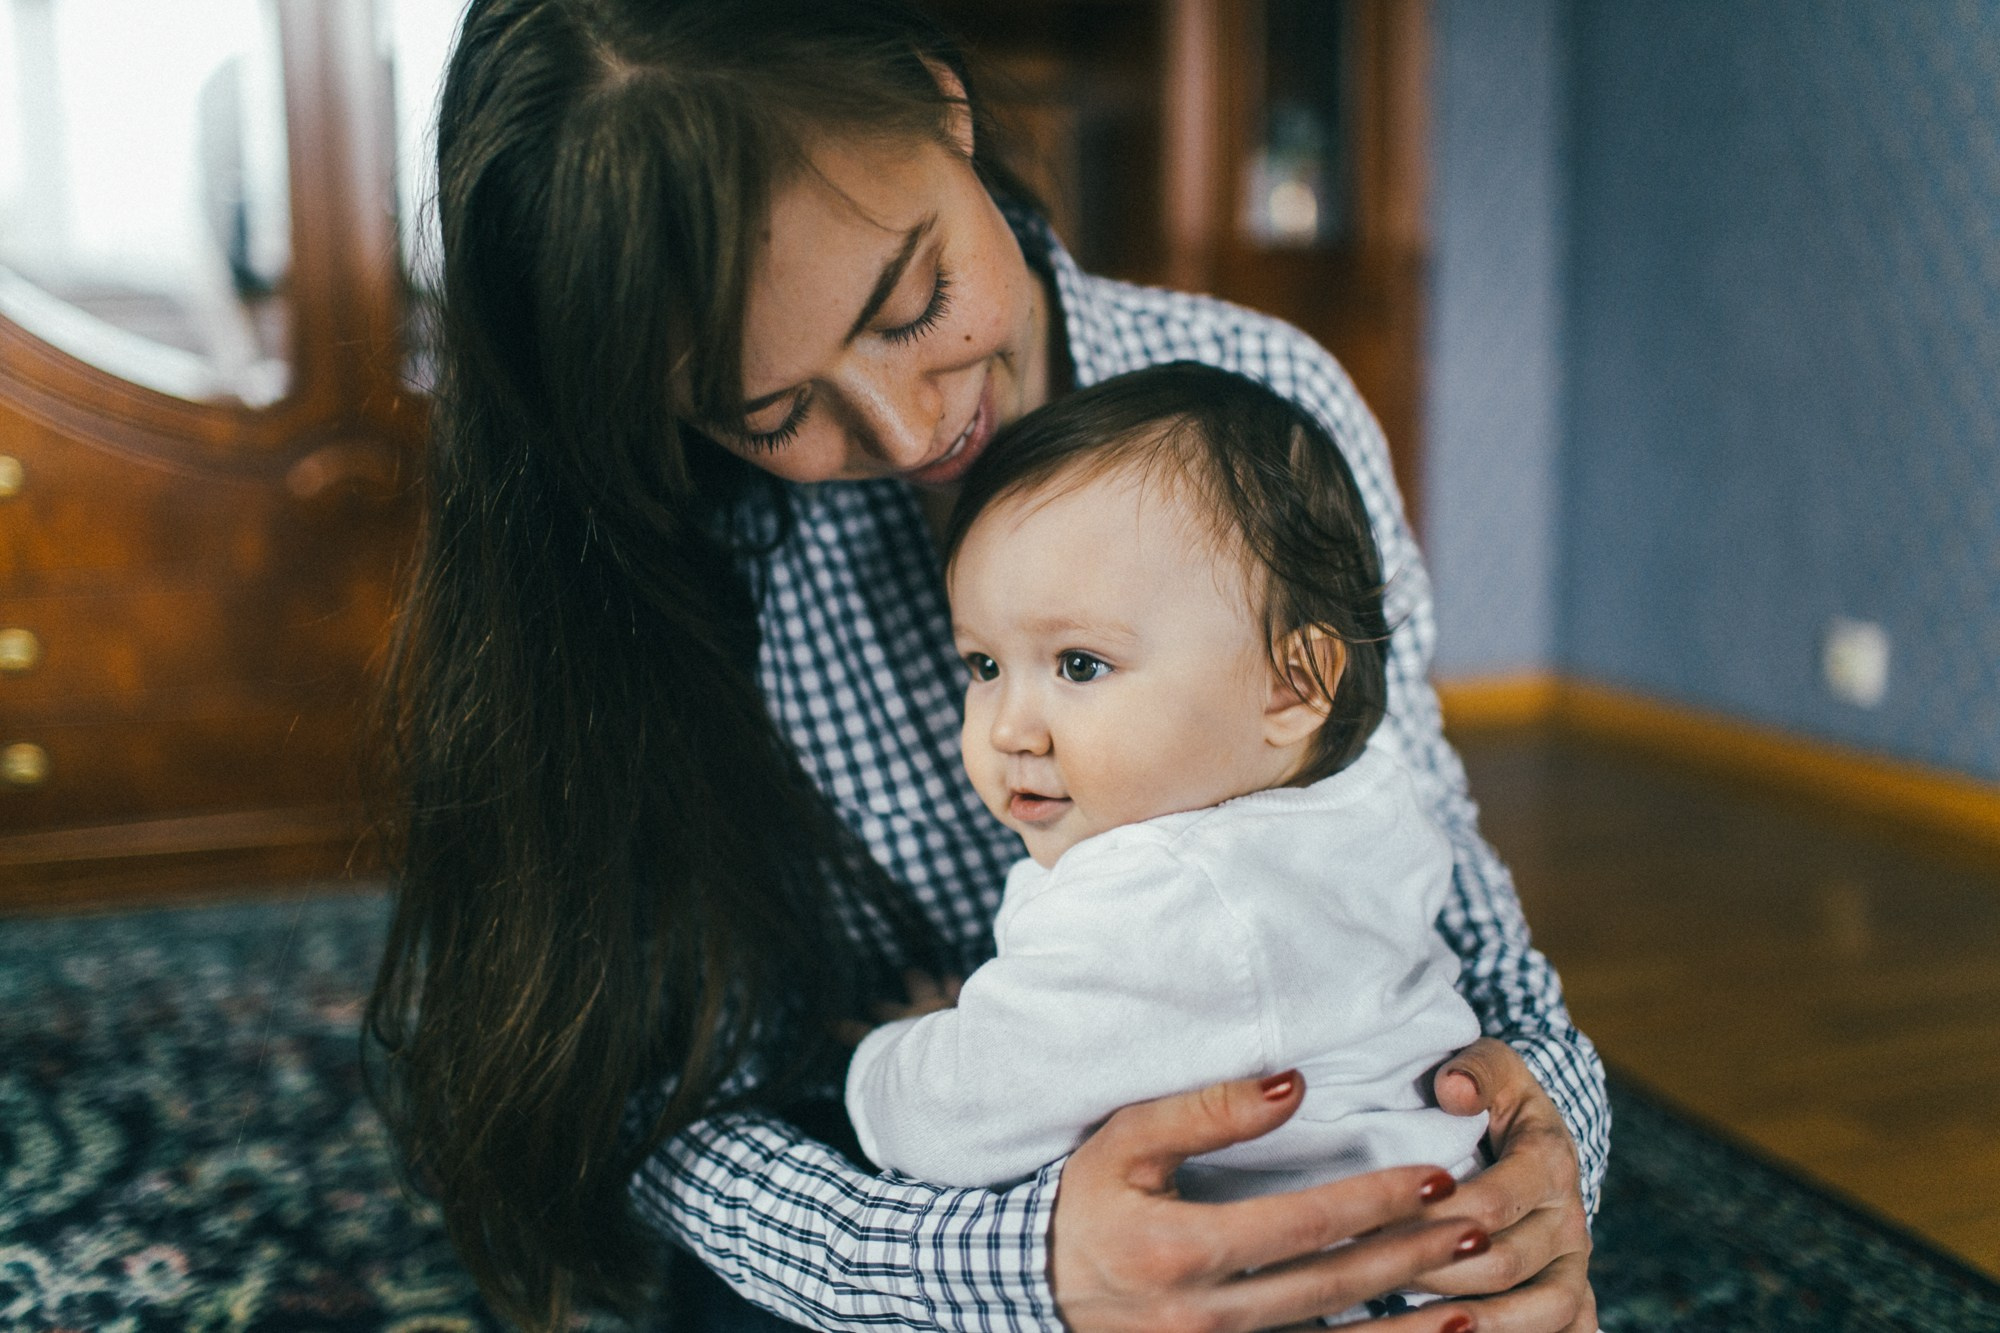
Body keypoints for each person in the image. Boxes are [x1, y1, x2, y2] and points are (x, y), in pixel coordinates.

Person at [365, 3, 1606, 1331]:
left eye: (917, 301)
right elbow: (633, 1092)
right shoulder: (652, 548)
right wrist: (1017, 1265)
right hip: (888, 1201)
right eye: (771, 411)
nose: (909, 428)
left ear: (943, 106)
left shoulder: (1260, 399)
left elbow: (1444, 882)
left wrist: (1544, 1168)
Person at [846, 364, 1491, 1326]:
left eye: (1079, 664)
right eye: (983, 664)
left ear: (1294, 683)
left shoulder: (1170, 894)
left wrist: (881, 1058)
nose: (1011, 727)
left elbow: (958, 1114)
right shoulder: (1358, 806)